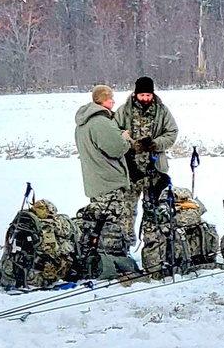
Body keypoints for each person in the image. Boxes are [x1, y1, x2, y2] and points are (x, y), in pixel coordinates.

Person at [114, 76, 179, 233]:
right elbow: (114, 132)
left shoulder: (162, 111)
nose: (145, 98)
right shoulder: (124, 111)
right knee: (126, 212)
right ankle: (125, 246)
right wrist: (131, 143)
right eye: (142, 95)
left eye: (148, 95)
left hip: (154, 170)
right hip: (130, 171)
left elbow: (172, 132)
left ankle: (154, 249)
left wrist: (156, 144)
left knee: (155, 212)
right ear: (136, 94)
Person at [74, 84, 136, 244]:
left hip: (96, 182)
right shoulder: (100, 122)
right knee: (113, 229)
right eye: (111, 98)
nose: (113, 102)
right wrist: (126, 138)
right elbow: (117, 148)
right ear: (104, 100)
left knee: (99, 226)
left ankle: (102, 260)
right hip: (110, 184)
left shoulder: (83, 122)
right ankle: (116, 263)